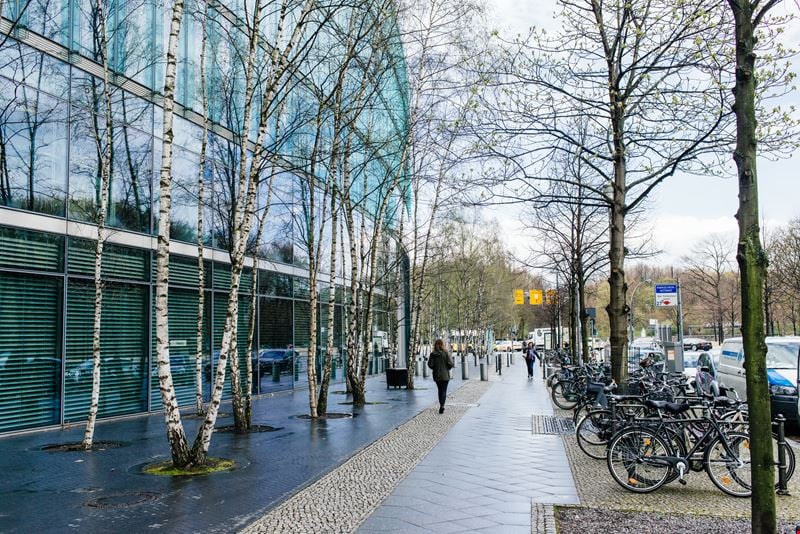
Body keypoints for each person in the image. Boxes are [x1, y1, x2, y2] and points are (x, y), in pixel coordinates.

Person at [428, 339, 454, 413]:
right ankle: (442, 405)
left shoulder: (433, 354)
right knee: (444, 390)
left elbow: (430, 364)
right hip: (445, 375)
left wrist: (435, 368)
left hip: (437, 375)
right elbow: (450, 364)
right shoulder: (445, 353)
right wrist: (447, 368)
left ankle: (441, 404)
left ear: (435, 345)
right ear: (442, 345)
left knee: (440, 390)